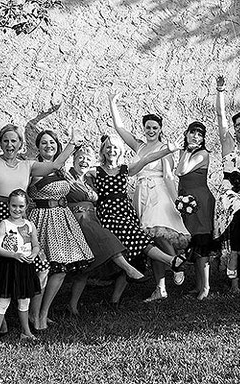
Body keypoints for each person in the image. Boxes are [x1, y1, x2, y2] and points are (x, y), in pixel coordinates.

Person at [0, 123, 76, 330]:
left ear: (21, 144)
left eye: (14, 141)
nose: (9, 144)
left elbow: (55, 165)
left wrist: (71, 144)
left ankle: (28, 312)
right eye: (5, 140)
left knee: (39, 265)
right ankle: (1, 315)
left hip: (19, 217)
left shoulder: (28, 165)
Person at [108, 93, 191, 301]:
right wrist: (112, 103)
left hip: (158, 192)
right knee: (150, 238)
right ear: (144, 129)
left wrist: (176, 200)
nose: (151, 131)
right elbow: (120, 129)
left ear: (160, 129)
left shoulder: (165, 149)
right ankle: (160, 287)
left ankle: (176, 262)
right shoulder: (140, 146)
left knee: (159, 232)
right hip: (141, 194)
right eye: (148, 127)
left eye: (155, 128)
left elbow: (169, 176)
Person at [91, 135, 187, 302]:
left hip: (126, 213)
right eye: (108, 147)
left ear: (120, 151)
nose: (111, 150)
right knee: (136, 238)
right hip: (108, 214)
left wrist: (168, 150)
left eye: (114, 147)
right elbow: (77, 170)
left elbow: (148, 158)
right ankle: (171, 260)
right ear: (103, 151)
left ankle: (114, 300)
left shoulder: (125, 169)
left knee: (132, 249)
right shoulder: (95, 171)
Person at [66, 146, 150, 314]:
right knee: (107, 240)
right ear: (74, 159)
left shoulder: (90, 179)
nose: (84, 162)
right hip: (78, 221)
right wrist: (71, 144)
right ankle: (129, 270)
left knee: (87, 267)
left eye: (88, 159)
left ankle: (72, 306)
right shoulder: (66, 177)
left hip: (93, 220)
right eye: (80, 158)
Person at [27, 130, 95, 330]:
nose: (49, 146)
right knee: (42, 271)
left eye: (52, 143)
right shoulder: (35, 167)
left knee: (61, 271)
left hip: (62, 219)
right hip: (42, 219)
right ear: (38, 147)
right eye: (44, 143)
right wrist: (72, 144)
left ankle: (44, 313)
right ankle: (33, 314)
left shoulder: (61, 170)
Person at [213, 75, 240, 293]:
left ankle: (233, 271)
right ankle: (234, 281)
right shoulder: (228, 143)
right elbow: (220, 116)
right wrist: (221, 92)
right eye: (238, 124)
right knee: (236, 225)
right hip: (230, 193)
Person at [0, 189, 40, 345]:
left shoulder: (30, 225)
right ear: (8, 205)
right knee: (3, 301)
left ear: (26, 206)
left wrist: (33, 254)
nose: (17, 209)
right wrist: (14, 255)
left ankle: (26, 331)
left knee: (24, 300)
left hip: (25, 267)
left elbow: (36, 245)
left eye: (21, 206)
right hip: (9, 267)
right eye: (14, 206)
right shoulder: (4, 224)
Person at [175, 122, 217, 300]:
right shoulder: (185, 152)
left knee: (202, 242)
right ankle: (198, 285)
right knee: (193, 242)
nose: (196, 137)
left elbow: (180, 170)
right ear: (186, 134)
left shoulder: (202, 154)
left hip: (200, 202)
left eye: (200, 134)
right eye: (193, 133)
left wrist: (186, 152)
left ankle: (206, 287)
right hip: (187, 201)